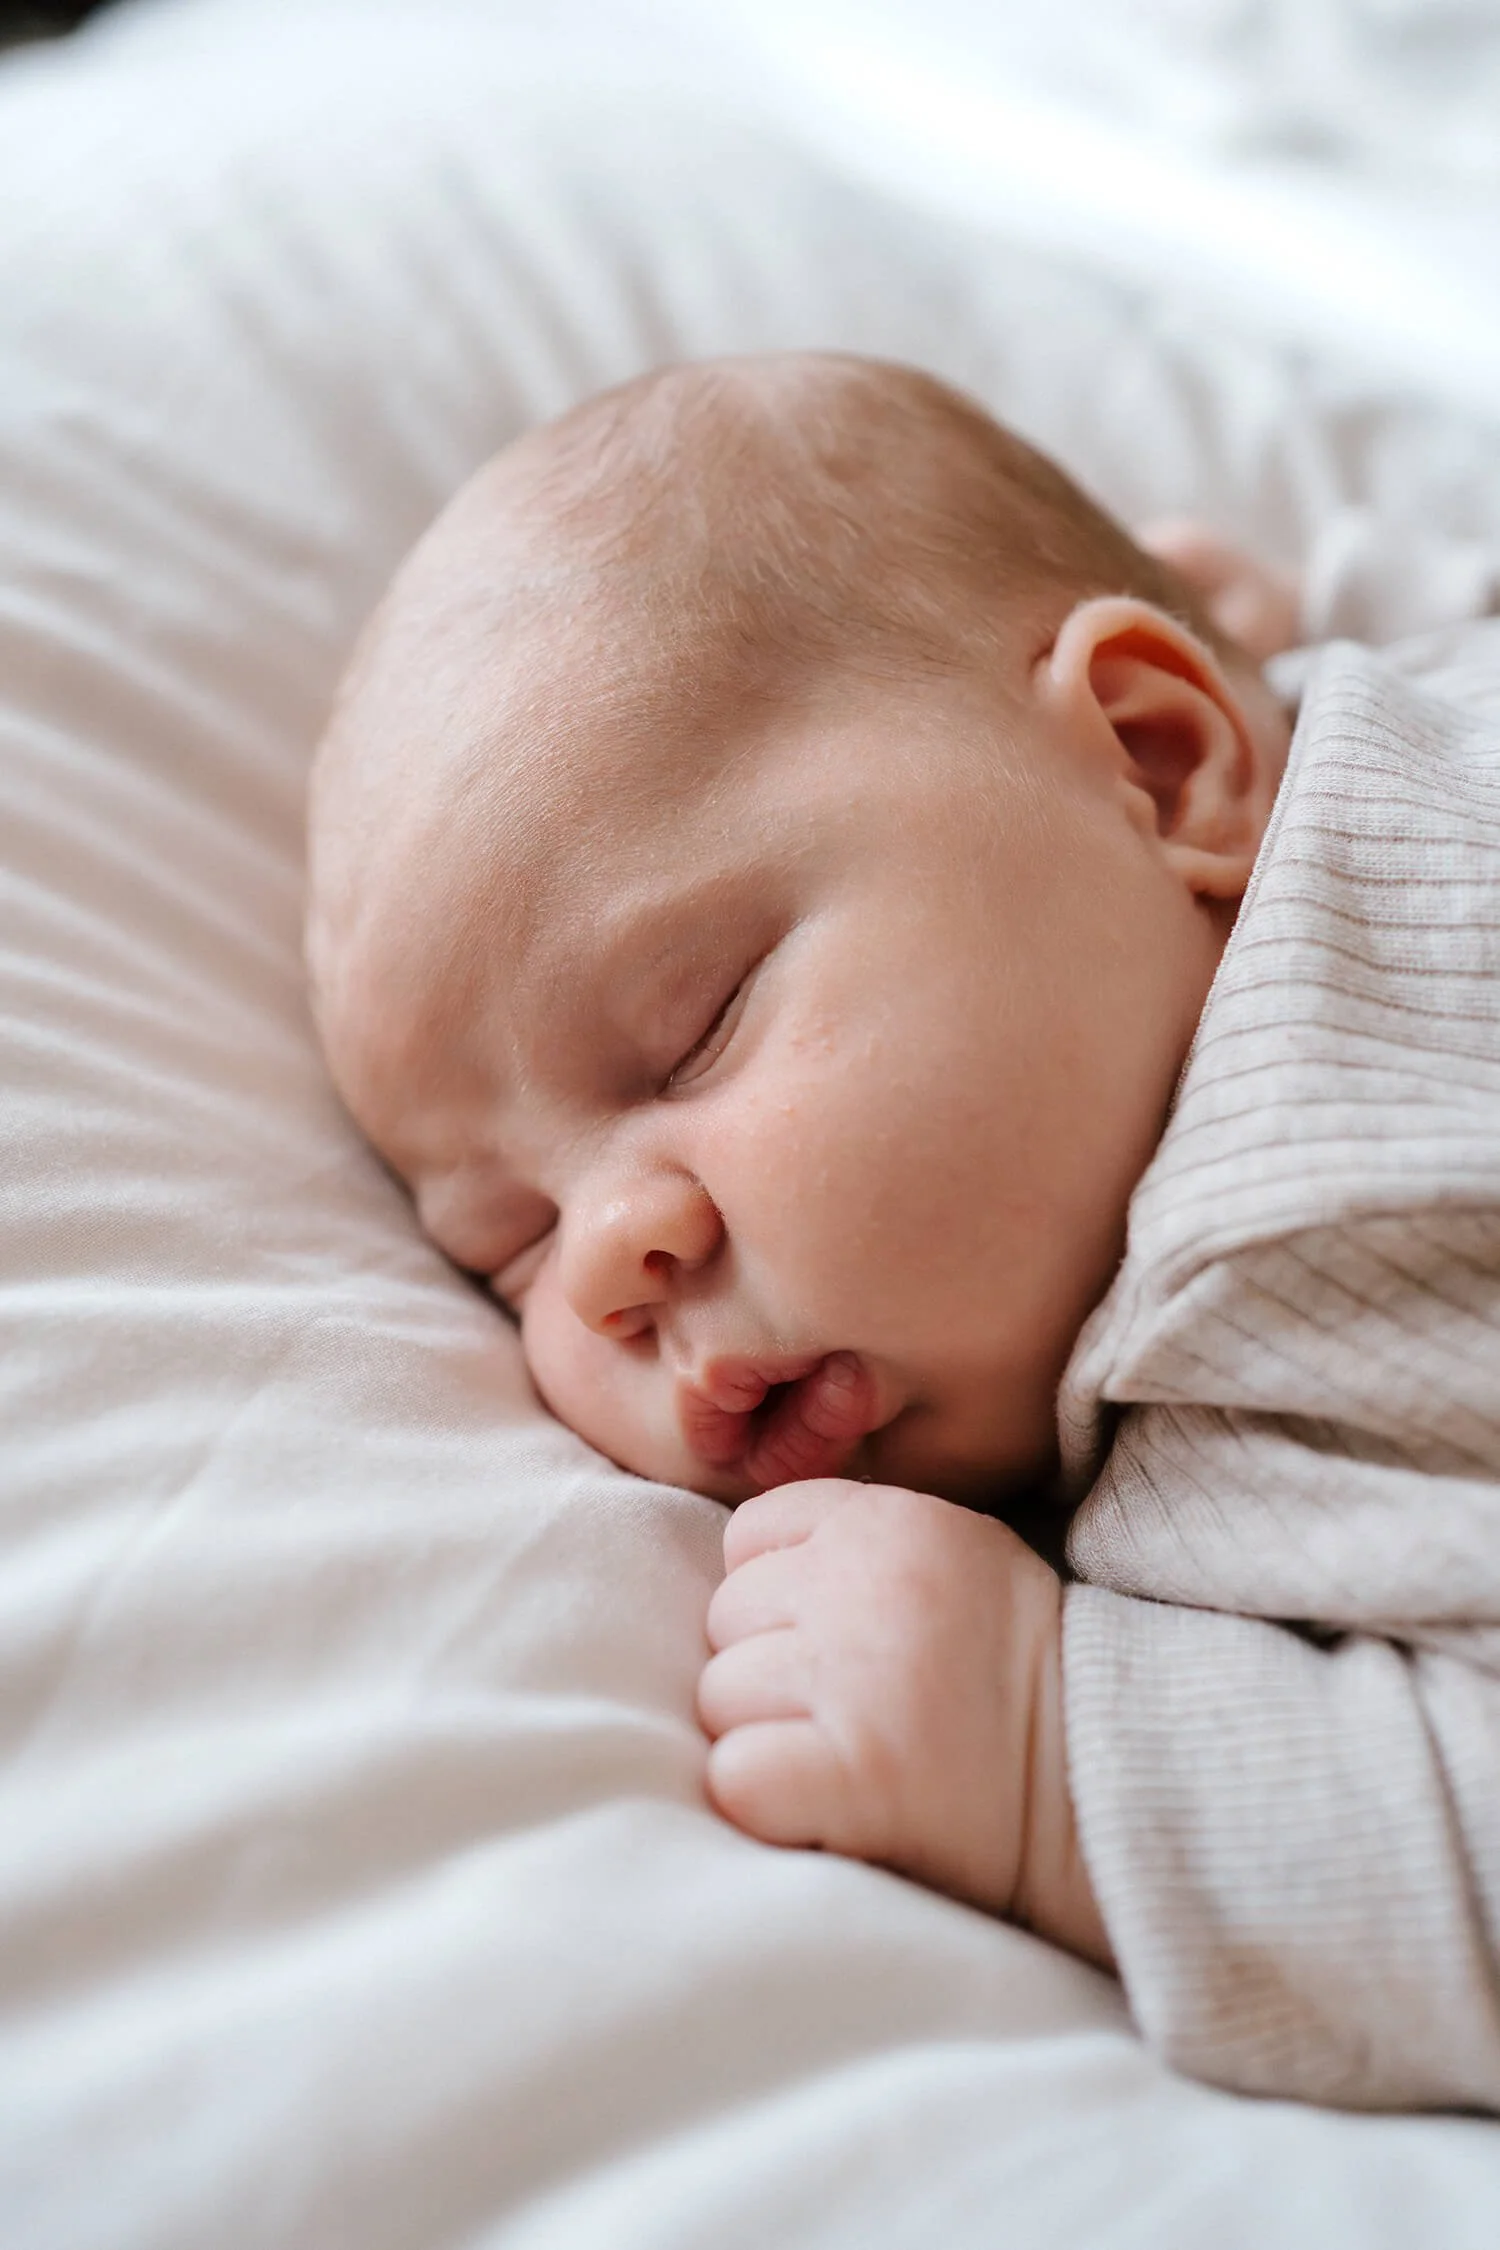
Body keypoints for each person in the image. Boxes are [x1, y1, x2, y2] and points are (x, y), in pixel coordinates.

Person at [306, 353, 1500, 2112]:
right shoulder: (1265, 1379)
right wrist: (1055, 1736)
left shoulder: (1274, 1202)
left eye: (695, 1024)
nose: (609, 1257)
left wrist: (1062, 1772)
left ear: (1162, 765)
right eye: (507, 1244)